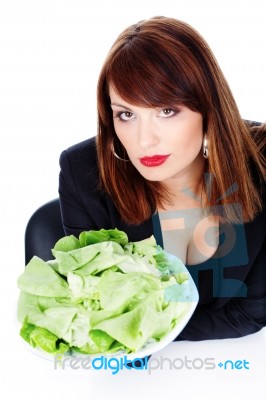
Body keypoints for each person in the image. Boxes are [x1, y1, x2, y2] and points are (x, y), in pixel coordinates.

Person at [59, 16, 266, 341]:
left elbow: (251, 313)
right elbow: (99, 315)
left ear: (208, 107)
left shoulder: (261, 163)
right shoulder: (82, 173)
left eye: (166, 111)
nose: (144, 140)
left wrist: (150, 333)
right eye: (126, 114)